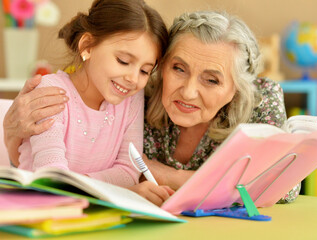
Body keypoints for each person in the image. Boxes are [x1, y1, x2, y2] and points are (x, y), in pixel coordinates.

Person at [3, 11, 300, 204]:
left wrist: (175, 178)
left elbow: (285, 187)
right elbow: (49, 172)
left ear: (235, 89)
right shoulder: (135, 93)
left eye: (211, 79)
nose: (188, 91)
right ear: (162, 67)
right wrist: (11, 133)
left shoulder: (259, 99)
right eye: (178, 69)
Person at [8, 0, 174, 206]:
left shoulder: (131, 98)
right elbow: (52, 181)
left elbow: (128, 171)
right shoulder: (49, 91)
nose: (133, 78)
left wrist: (101, 187)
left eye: (144, 70)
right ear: (87, 46)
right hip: (40, 211)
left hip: (90, 213)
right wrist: (122, 192)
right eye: (123, 60)